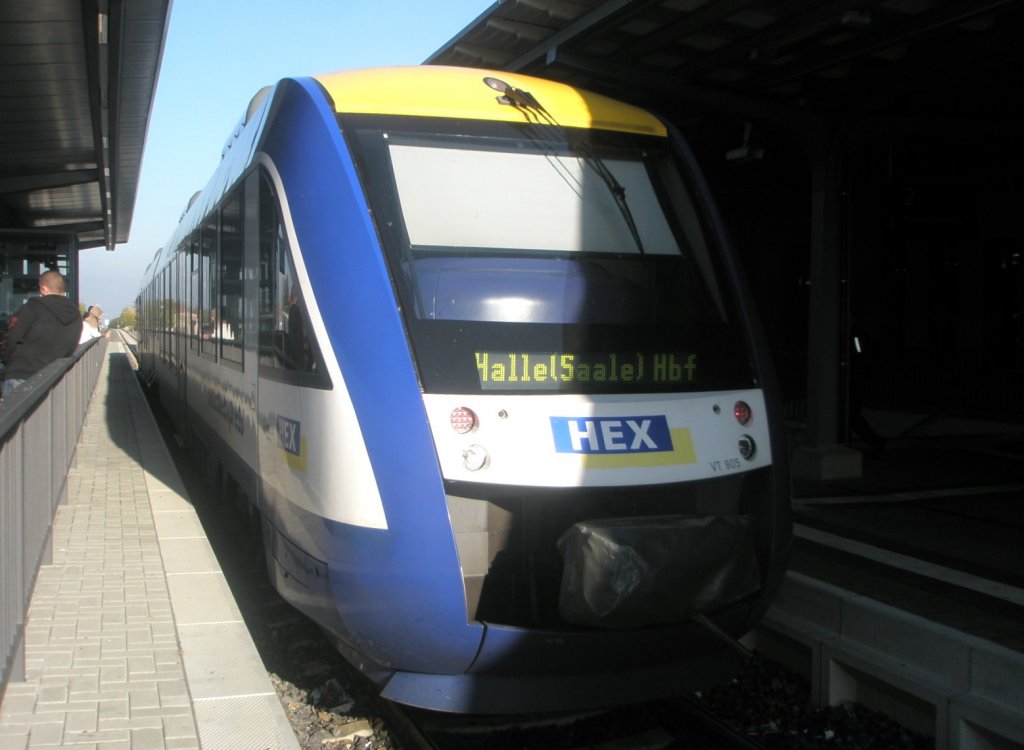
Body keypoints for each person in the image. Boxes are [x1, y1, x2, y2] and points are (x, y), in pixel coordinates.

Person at [1, 270, 82, 397]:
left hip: (22, 374)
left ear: (43, 289)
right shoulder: (75, 314)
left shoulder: (33, 307)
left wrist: (7, 361)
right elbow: (72, 347)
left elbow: (12, 338)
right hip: (53, 377)